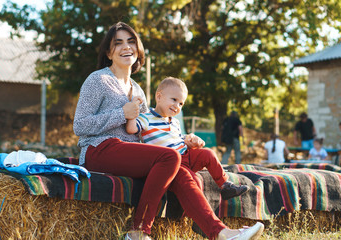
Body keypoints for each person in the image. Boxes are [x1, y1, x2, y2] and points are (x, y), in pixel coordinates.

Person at [73, 22, 264, 240]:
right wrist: (121, 114)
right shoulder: (97, 80)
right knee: (170, 158)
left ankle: (220, 232)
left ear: (138, 49)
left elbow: (149, 131)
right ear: (109, 52)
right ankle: (138, 231)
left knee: (180, 170)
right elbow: (80, 125)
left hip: (130, 153)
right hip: (100, 150)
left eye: (131, 41)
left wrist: (182, 140)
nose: (126, 47)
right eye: (118, 43)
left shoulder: (137, 90)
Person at [126, 77, 250, 201]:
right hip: (173, 163)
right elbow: (131, 129)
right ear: (159, 97)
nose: (177, 106)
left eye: (181, 103)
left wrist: (191, 142)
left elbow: (178, 139)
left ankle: (225, 185)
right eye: (174, 100)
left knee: (208, 153)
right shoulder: (146, 118)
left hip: (186, 155)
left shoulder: (174, 122)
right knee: (193, 181)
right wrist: (132, 112)